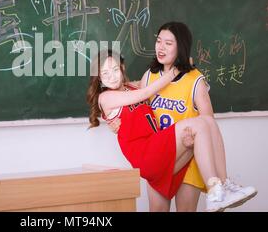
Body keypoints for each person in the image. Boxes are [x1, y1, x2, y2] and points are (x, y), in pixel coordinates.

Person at [86, 49, 257, 212]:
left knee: (208, 122)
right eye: (105, 73)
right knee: (199, 124)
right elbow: (146, 92)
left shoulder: (129, 87)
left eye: (115, 69)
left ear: (122, 68)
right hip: (145, 154)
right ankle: (214, 190)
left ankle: (224, 184)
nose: (112, 76)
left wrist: (180, 64)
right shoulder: (106, 97)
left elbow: (147, 83)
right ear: (99, 79)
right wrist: (176, 70)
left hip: (157, 150)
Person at [109, 22, 212, 211]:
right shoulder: (149, 76)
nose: (161, 47)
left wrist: (193, 141)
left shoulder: (195, 80)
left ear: (180, 47)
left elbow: (208, 123)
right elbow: (131, 101)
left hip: (188, 153)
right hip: (159, 154)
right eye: (158, 41)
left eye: (168, 43)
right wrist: (115, 121)